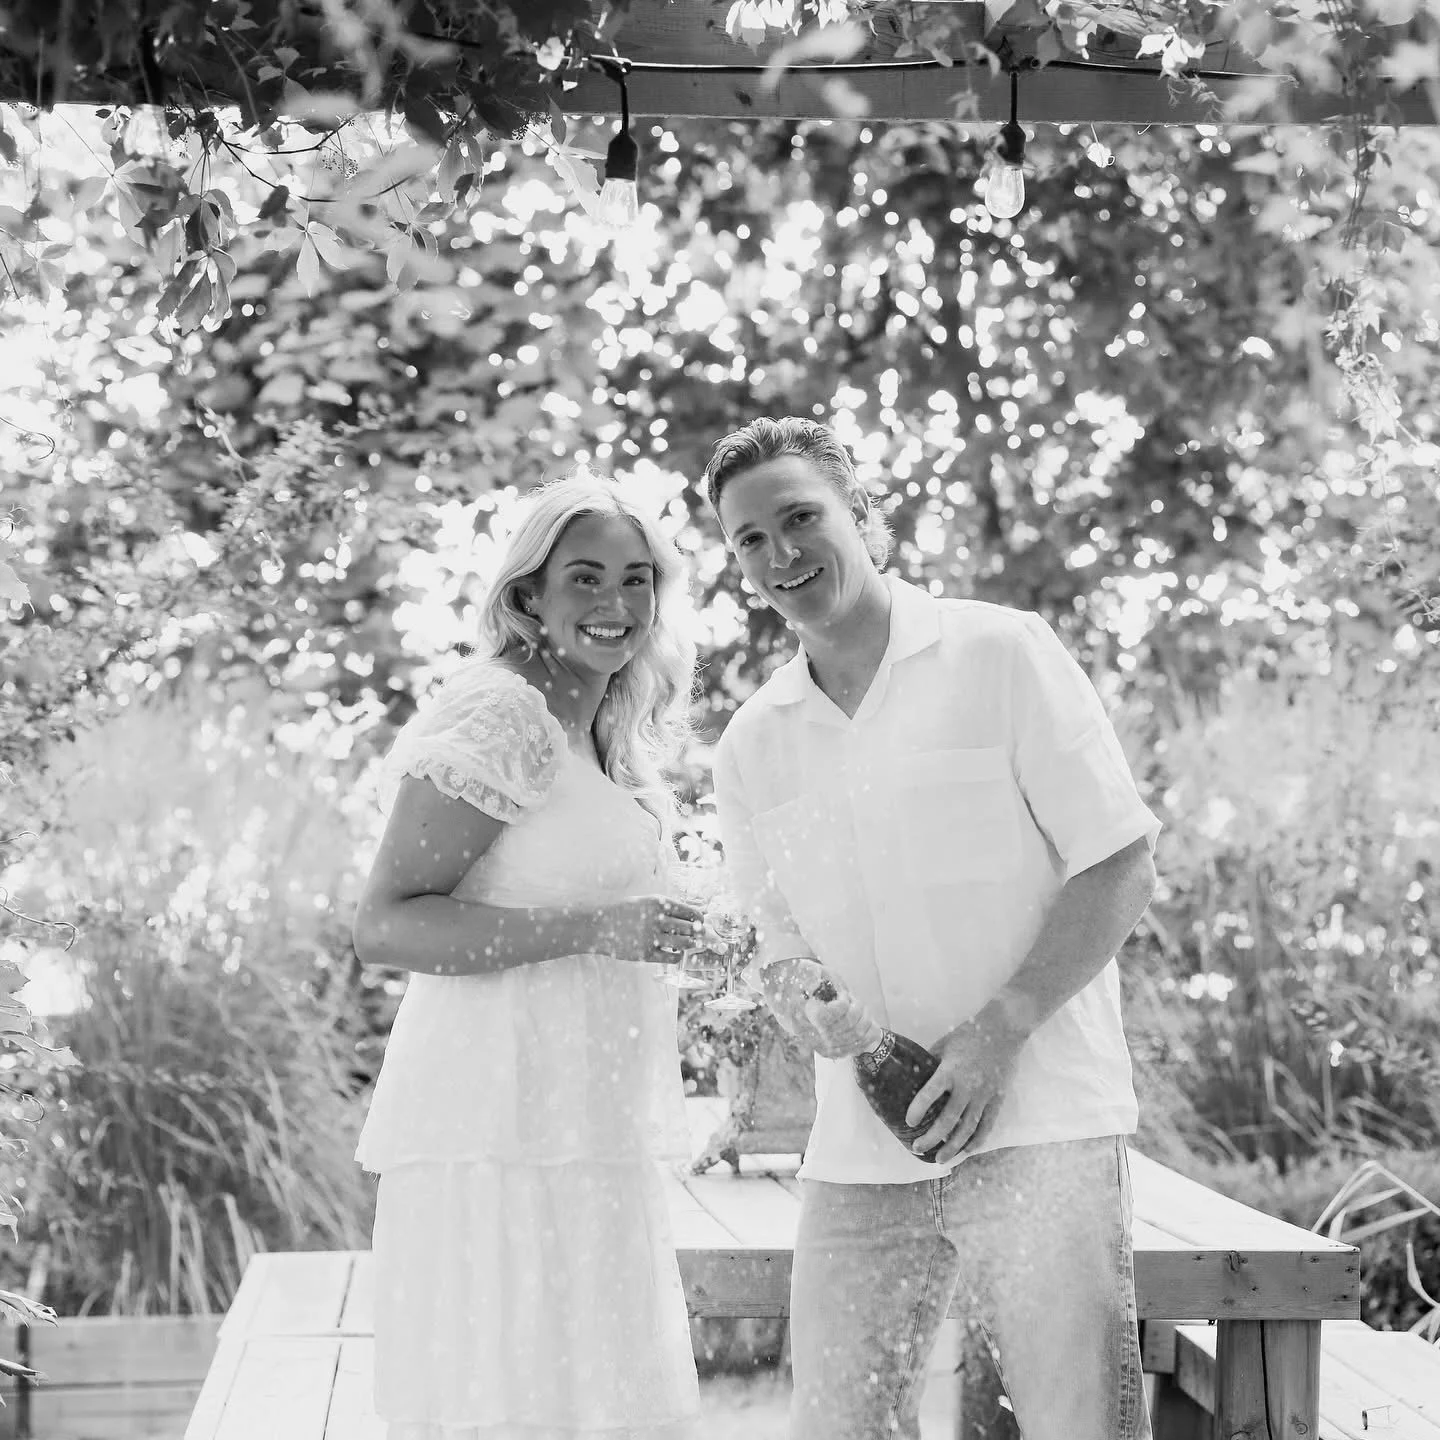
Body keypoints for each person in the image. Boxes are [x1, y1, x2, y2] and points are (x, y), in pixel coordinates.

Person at [703, 417, 1161, 1440]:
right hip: (860, 1152)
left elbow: (1121, 863)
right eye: (750, 539)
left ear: (863, 519)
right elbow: (777, 945)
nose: (781, 555)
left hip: (1043, 1128)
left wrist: (999, 1031)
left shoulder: (1001, 653)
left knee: (1076, 1425)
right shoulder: (751, 746)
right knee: (839, 1428)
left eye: (801, 519)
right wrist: (799, 999)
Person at [352, 472, 703, 1440]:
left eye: (637, 581)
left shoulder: (600, 735)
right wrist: (596, 931)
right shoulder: (500, 713)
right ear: (527, 598)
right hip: (497, 1137)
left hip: (587, 1132)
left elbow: (591, 908)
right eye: (584, 580)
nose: (616, 605)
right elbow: (385, 922)